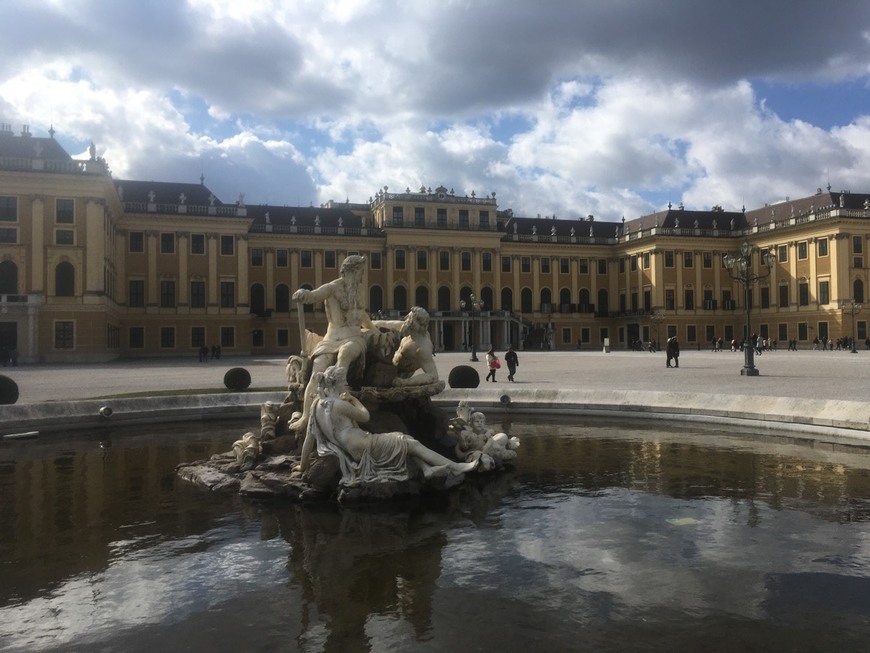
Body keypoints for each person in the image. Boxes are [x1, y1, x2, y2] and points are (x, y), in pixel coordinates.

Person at [297, 365, 477, 484]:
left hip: (354, 447)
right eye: (345, 382)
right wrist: (353, 400)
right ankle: (455, 467)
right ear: (337, 383)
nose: (347, 384)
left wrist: (302, 466)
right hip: (364, 445)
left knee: (405, 441)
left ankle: (427, 469)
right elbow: (365, 416)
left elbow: (308, 441)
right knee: (409, 442)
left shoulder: (316, 405)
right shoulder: (341, 405)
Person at [289, 254, 376, 432]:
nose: (362, 276)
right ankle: (306, 416)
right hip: (331, 339)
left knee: (345, 354)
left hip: (354, 338)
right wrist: (304, 294)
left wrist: (375, 330)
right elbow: (314, 296)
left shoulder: (359, 291)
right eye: (361, 272)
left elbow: (362, 316)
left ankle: (341, 403)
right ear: (352, 270)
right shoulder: (332, 288)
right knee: (317, 371)